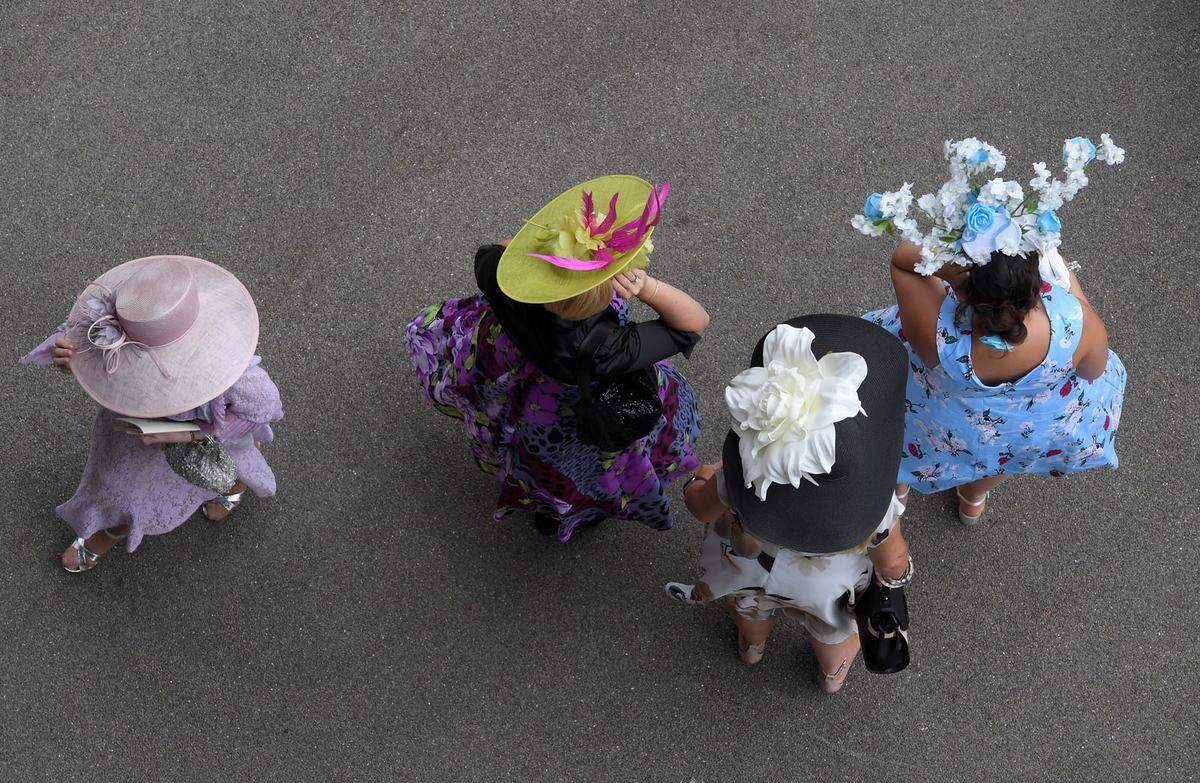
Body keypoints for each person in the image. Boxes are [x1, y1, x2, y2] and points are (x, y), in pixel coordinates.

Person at [405, 175, 707, 541]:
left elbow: (495, 254)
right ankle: (568, 514)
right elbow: (692, 324)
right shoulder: (604, 346)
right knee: (576, 473)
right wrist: (646, 287)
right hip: (565, 409)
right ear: (607, 288)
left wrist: (534, 261)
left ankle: (539, 500)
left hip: (509, 370)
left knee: (523, 450)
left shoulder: (504, 278)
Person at [855, 136, 1128, 523]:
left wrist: (947, 265)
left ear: (965, 285)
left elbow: (903, 259)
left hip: (940, 418)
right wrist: (1072, 286)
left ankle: (900, 485)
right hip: (1015, 431)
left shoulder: (937, 334)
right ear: (1034, 278)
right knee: (997, 456)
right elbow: (1093, 371)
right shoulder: (1075, 324)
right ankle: (972, 497)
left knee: (908, 439)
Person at [666, 316, 913, 693]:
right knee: (831, 631)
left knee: (748, 608)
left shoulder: (738, 482)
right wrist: (897, 577)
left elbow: (699, 508)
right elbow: (892, 563)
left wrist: (702, 477)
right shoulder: (876, 514)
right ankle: (831, 674)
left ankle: (753, 645)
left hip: (745, 568)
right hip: (823, 588)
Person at [21, 255, 283, 571]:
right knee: (118, 492)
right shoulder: (124, 320)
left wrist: (191, 434)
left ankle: (233, 488)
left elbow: (262, 409)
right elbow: (82, 343)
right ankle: (107, 532)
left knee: (225, 467)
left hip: (202, 439)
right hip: (133, 436)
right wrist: (68, 358)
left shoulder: (238, 380)